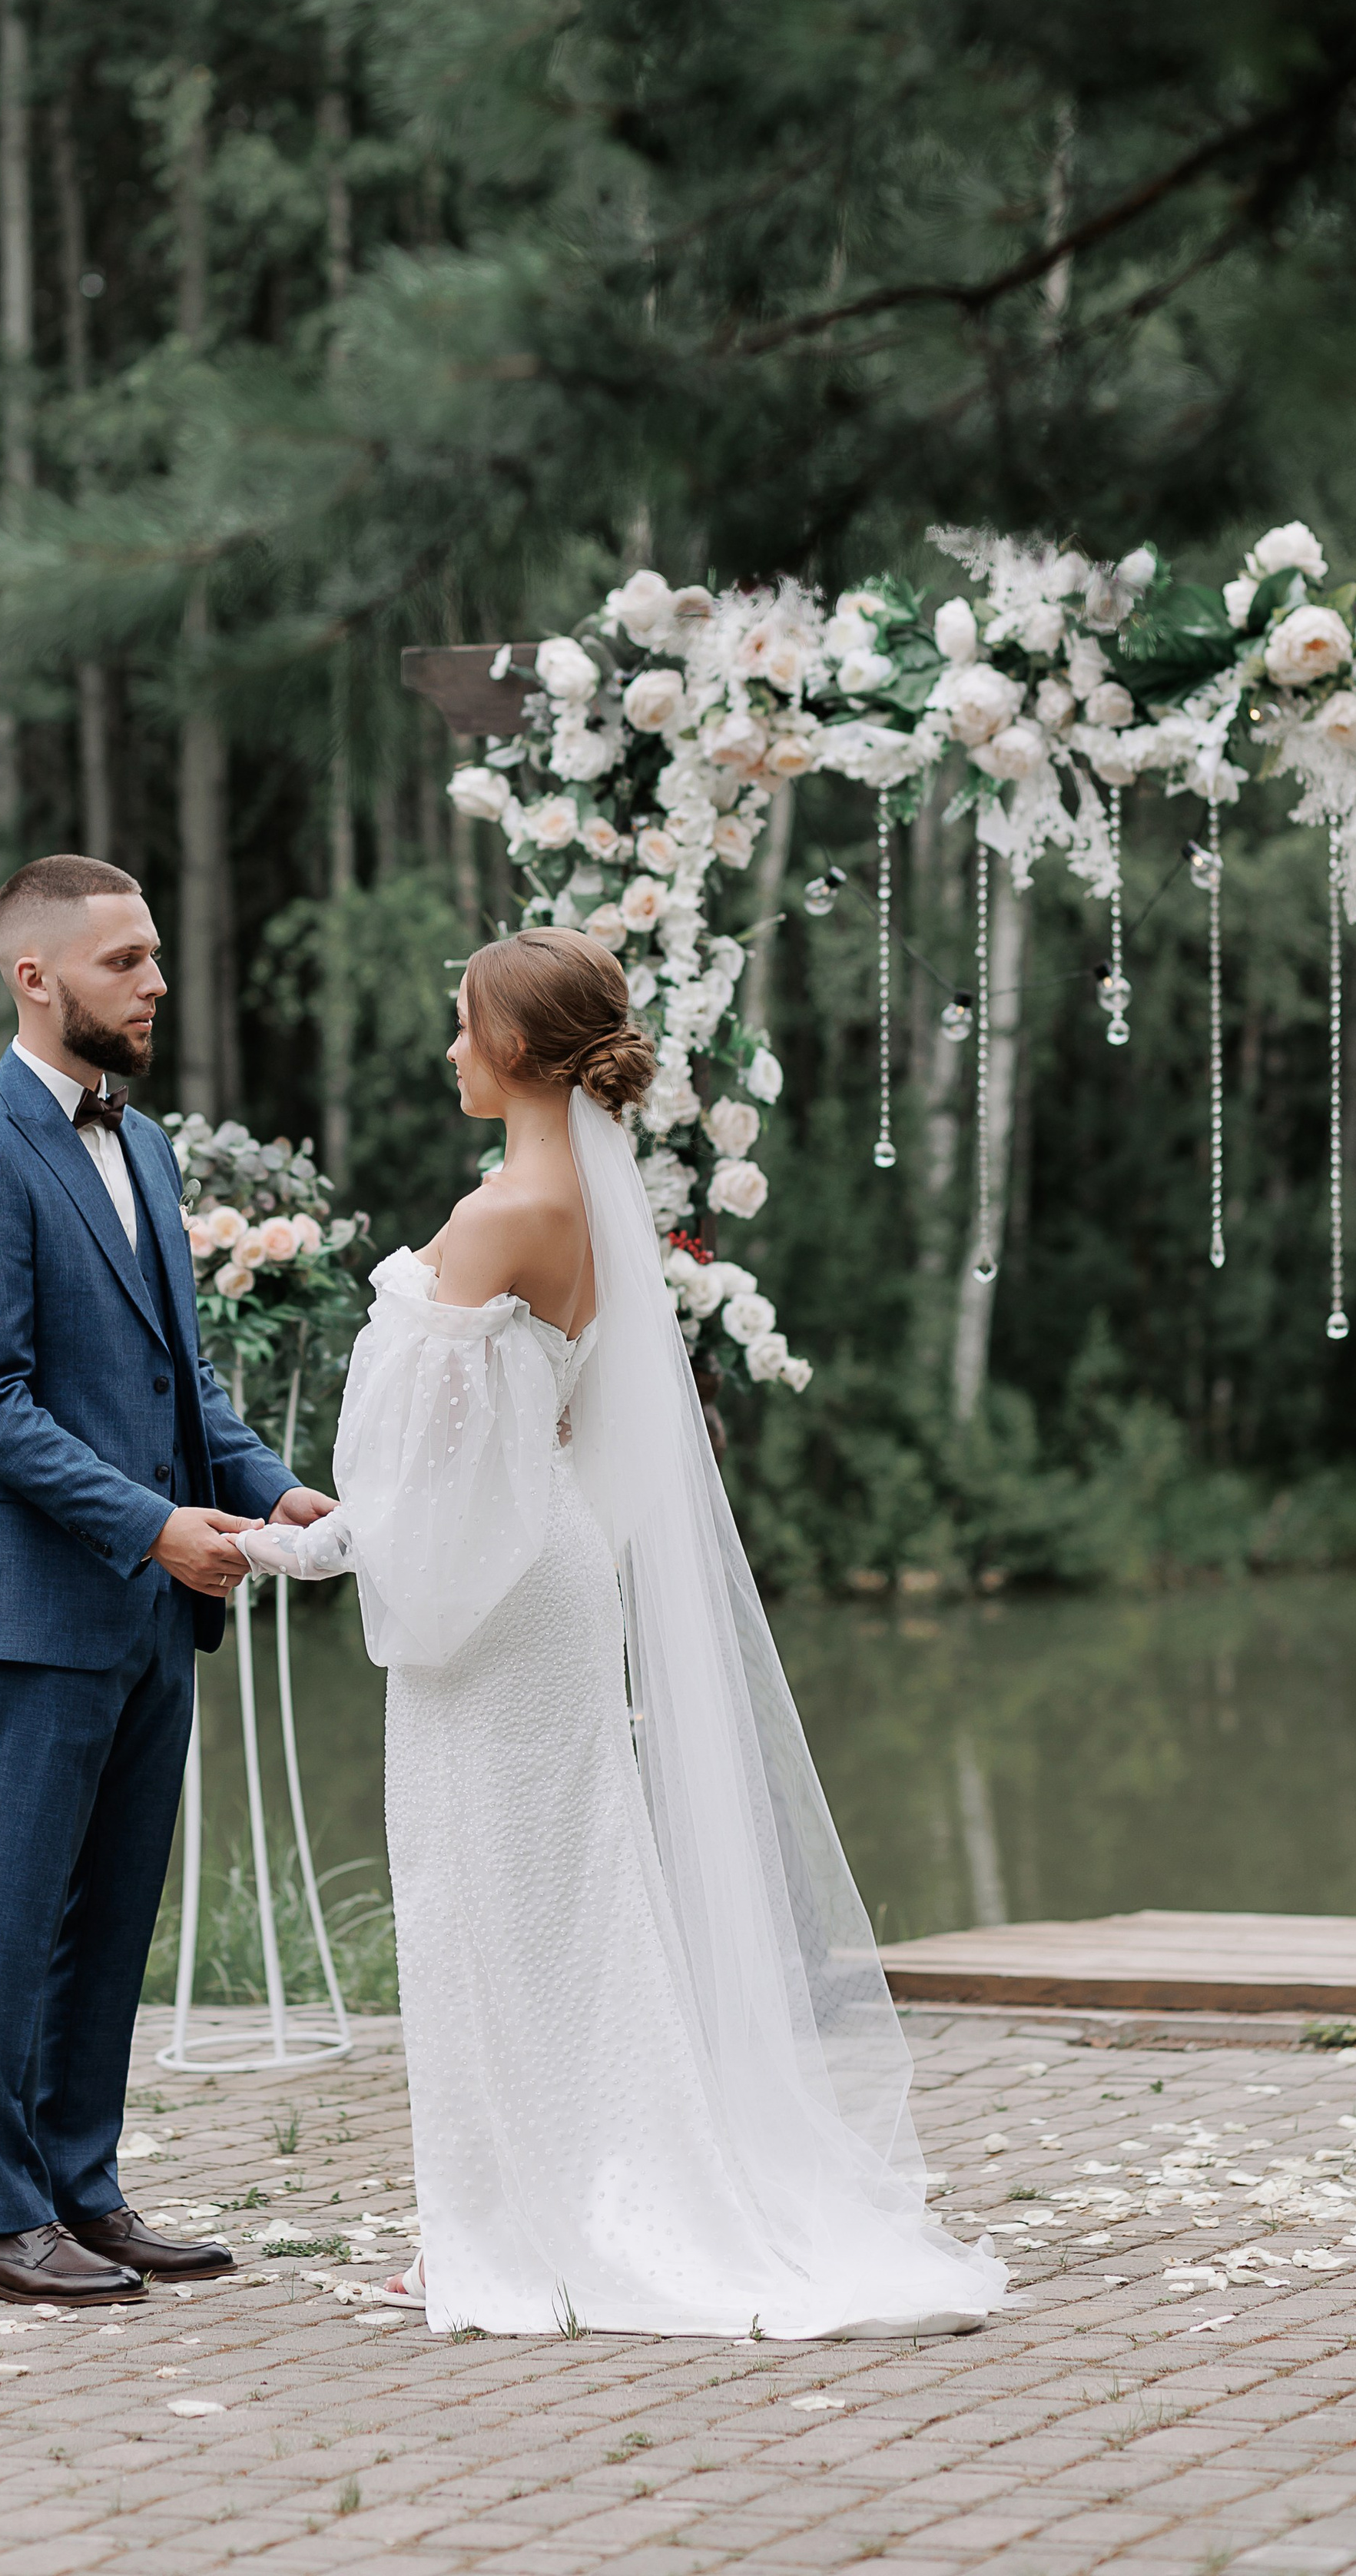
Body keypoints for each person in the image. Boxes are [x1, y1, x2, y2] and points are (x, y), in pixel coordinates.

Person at [244, 927, 1006, 2341]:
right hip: (553, 1569)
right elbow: (535, 1434)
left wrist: (292, 1545)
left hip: (496, 1599)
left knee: (486, 1907)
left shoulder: (501, 1215)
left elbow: (425, 1471)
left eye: (464, 1025)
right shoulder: (597, 1207)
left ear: (517, 1048)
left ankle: (509, 2227)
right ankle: (567, 2196)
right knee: (568, 1906)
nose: (450, 1049)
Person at [0, 854, 335, 2306]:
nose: (156, 984)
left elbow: (178, 1380)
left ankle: (83, 2188)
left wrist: (270, 1486)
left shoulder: (144, 1148)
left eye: (153, 956)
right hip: (36, 1599)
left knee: (114, 1914)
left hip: (156, 1601)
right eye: (125, 962)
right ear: (36, 977)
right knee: (13, 1909)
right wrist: (155, 1526)